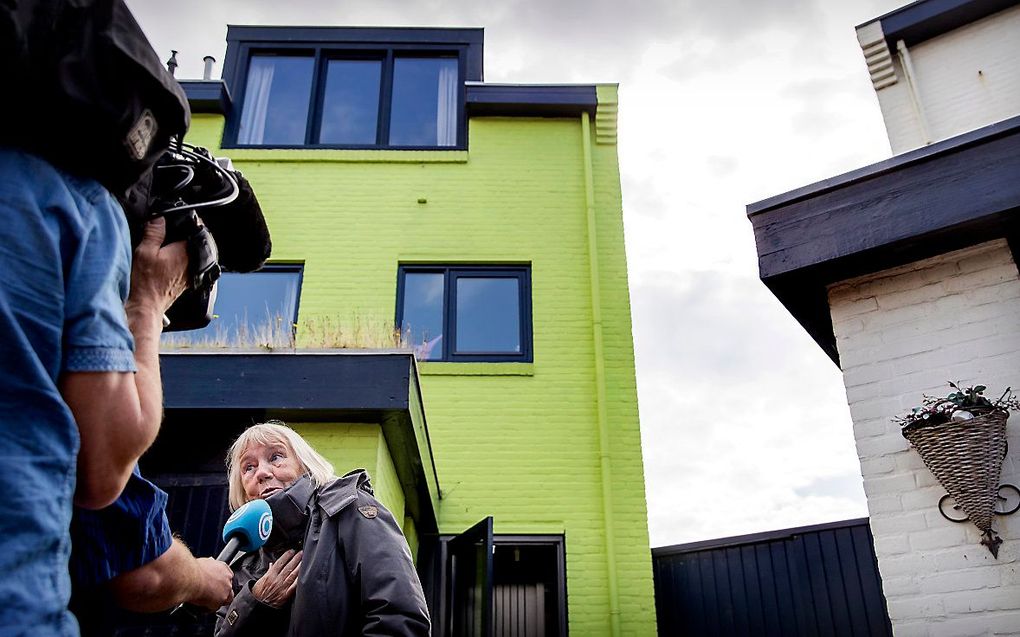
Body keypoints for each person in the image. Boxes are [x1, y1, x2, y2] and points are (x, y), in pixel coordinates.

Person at [215, 421, 431, 636]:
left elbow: (400, 619)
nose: (261, 472)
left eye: (276, 457)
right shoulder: (240, 562)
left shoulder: (348, 509)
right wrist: (255, 604)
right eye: (248, 467)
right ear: (241, 488)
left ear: (304, 465)